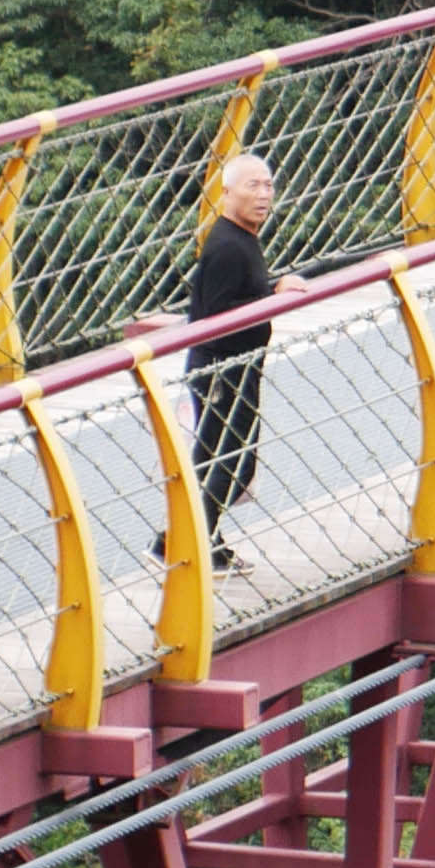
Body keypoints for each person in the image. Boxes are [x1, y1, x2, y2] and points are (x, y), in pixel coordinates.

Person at [177, 154, 278, 571]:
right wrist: (274, 297)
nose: (263, 195)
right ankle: (183, 544)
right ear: (226, 193)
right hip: (222, 368)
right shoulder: (226, 247)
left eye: (268, 185)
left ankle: (198, 542)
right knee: (233, 458)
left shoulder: (240, 238)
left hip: (235, 365)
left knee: (215, 456)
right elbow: (218, 315)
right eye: (252, 186)